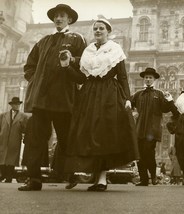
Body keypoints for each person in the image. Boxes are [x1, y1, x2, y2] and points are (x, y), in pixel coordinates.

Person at [64, 18, 139, 192]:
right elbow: (82, 77)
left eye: (101, 28)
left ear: (108, 31)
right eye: (95, 28)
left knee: (104, 133)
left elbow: (122, 76)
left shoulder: (115, 49)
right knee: (90, 132)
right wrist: (67, 68)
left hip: (108, 94)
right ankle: (95, 177)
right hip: (89, 94)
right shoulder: (88, 51)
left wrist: (127, 98)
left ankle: (103, 179)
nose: (98, 31)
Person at [18, 4, 87, 191]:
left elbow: (86, 65)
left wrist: (71, 62)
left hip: (64, 98)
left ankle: (69, 173)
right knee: (35, 138)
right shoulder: (43, 41)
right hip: (41, 99)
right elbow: (29, 66)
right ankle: (34, 178)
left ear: (69, 19)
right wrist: (34, 81)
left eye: (62, 16)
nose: (58, 19)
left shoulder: (77, 39)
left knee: (66, 138)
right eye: (56, 16)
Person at [131, 67, 174, 186]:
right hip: (139, 128)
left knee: (148, 152)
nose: (148, 79)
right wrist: (133, 111)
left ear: (154, 79)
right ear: (144, 79)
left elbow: (166, 109)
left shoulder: (158, 94)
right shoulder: (138, 94)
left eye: (150, 78)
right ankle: (144, 179)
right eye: (146, 77)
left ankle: (153, 176)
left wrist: (170, 100)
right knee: (139, 154)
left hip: (152, 129)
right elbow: (129, 105)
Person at [0, 97, 29, 183]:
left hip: (14, 140)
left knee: (11, 159)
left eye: (18, 104)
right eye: (15, 104)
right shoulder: (3, 115)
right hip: (3, 139)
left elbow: (25, 129)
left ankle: (9, 177)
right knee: (2, 157)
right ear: (11, 105)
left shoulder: (23, 116)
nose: (16, 106)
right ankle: (2, 175)